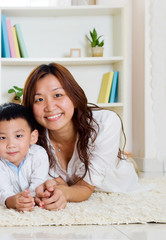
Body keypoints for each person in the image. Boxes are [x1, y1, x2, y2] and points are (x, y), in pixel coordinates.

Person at [22, 63, 147, 211]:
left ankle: (126, 159)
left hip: (113, 182)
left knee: (122, 164)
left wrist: (66, 191)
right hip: (76, 181)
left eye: (58, 95)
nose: (49, 106)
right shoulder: (31, 138)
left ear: (73, 98)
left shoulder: (105, 122)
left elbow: (85, 187)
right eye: (39, 100)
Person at [0, 103, 49, 212]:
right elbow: (2, 190)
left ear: (33, 137)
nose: (11, 144)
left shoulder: (38, 154)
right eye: (2, 138)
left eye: (18, 136)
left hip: (35, 195)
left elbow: (38, 183)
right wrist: (13, 201)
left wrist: (30, 199)